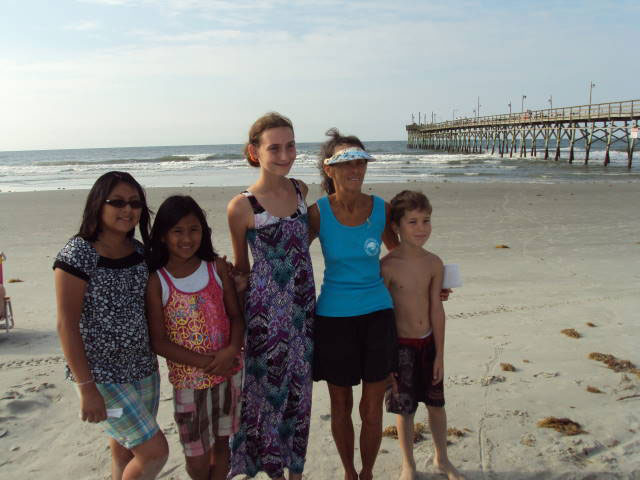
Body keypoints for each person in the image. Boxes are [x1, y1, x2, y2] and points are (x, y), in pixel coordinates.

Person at [53, 171, 168, 480]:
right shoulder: (78, 254)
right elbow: (67, 325)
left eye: (135, 203)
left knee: (126, 451)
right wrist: (86, 388)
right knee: (155, 452)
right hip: (102, 378)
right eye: (117, 202)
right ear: (98, 205)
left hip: (143, 370)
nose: (127, 210)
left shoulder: (142, 253)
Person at [226, 112, 315, 480]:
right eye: (274, 147)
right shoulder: (243, 207)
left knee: (301, 395)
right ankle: (270, 469)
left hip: (303, 312)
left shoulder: (300, 190)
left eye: (290, 145)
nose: (285, 154)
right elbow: (241, 270)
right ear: (254, 152)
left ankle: (295, 471)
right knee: (266, 395)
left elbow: (301, 245)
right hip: (266, 318)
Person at [307, 129, 399, 480]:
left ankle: (368, 473)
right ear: (329, 170)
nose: (354, 170)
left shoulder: (381, 209)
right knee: (341, 406)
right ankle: (349, 472)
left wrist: (431, 284)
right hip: (333, 319)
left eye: (360, 162)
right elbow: (290, 257)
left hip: (378, 316)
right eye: (345, 164)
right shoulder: (317, 214)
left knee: (372, 408)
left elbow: (400, 255)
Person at [146, 195, 245, 480]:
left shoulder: (217, 268)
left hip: (229, 374)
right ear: (163, 236)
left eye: (194, 229)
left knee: (223, 444)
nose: (186, 238)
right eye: (177, 231)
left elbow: (236, 317)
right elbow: (159, 341)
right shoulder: (158, 280)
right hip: (189, 383)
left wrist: (230, 351)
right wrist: (205, 361)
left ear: (204, 232)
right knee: (197, 456)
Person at [382, 190, 464, 480]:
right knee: (404, 410)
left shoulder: (434, 263)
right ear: (396, 227)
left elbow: (436, 310)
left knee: (436, 405)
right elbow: (383, 316)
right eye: (413, 222)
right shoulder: (388, 266)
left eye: (426, 221)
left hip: (428, 344)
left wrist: (440, 353)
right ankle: (409, 464)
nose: (421, 228)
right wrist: (387, 358)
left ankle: (442, 458)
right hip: (399, 348)